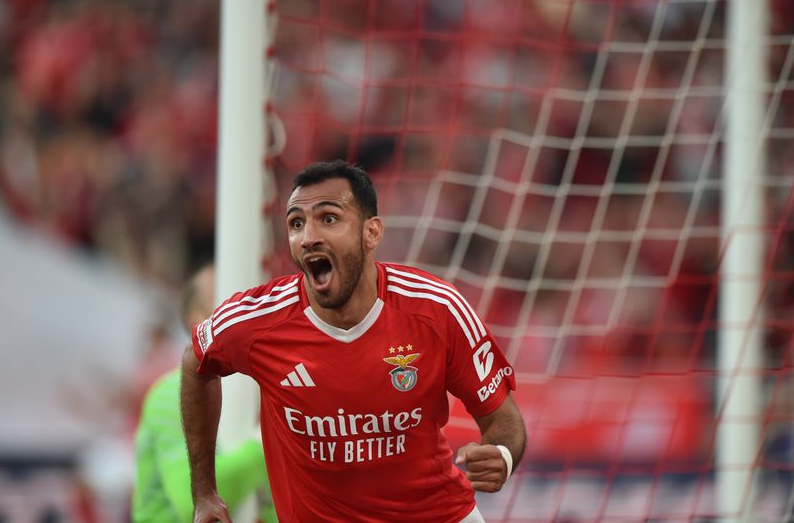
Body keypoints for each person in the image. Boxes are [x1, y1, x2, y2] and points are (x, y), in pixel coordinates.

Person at [181, 160, 526, 522]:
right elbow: (196, 362)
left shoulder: (437, 309)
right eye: (296, 223)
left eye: (328, 218)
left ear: (371, 232)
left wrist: (502, 455)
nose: (308, 236)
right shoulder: (259, 320)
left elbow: (504, 421)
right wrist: (204, 493)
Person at [132, 265, 277, 523]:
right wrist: (263, 445)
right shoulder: (171, 393)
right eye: (224, 299)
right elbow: (189, 503)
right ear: (197, 324)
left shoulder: (271, 388)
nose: (242, 310)